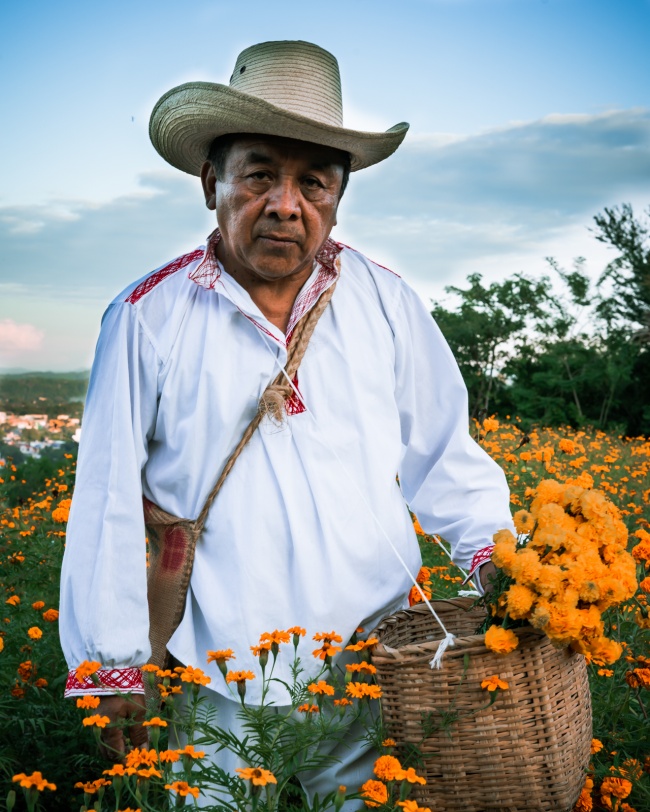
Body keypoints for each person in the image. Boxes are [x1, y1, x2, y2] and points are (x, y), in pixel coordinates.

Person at [59, 40, 512, 808]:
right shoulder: (149, 317)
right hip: (219, 670)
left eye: (314, 181)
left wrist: (503, 571)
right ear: (213, 183)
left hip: (374, 663)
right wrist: (113, 665)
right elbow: (103, 494)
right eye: (260, 173)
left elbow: (445, 457)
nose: (285, 203)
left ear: (339, 195)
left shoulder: (386, 302)